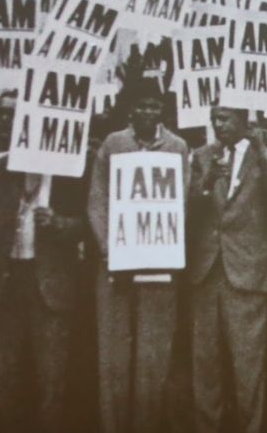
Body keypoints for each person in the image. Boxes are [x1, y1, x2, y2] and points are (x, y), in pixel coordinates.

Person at [0, 110, 89, 433]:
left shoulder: (72, 173)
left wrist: (60, 223)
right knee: (4, 371)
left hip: (51, 286)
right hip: (8, 283)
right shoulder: (4, 169)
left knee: (51, 375)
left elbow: (92, 225)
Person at [87, 78, 191, 433]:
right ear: (130, 109)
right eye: (141, 106)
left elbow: (184, 203)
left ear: (162, 110)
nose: (148, 112)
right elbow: (97, 201)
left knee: (153, 351)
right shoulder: (113, 144)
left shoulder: (177, 147)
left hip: (160, 265)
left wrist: (166, 246)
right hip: (115, 263)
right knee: (113, 351)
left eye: (154, 106)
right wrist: (109, 250)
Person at [188, 106, 267, 433]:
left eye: (226, 118)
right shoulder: (202, 156)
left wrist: (260, 151)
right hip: (206, 274)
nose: (219, 124)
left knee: (249, 369)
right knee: (206, 368)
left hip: (246, 276)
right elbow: (185, 212)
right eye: (215, 117)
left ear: (244, 122)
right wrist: (205, 185)